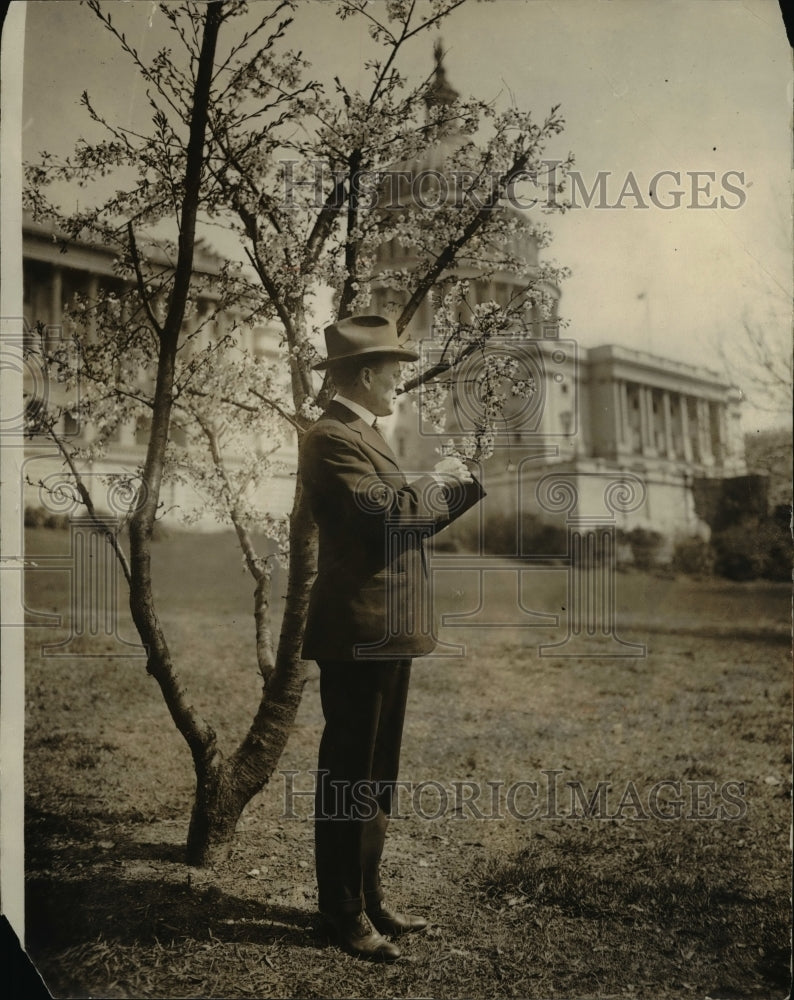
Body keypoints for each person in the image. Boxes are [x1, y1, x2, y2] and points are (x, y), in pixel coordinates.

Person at [299, 314, 485, 962]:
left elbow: (405, 518)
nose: (401, 384)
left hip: (388, 632)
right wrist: (441, 483)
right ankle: (340, 913)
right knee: (348, 775)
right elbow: (392, 520)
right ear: (369, 374)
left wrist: (452, 486)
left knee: (377, 777)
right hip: (357, 635)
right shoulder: (329, 437)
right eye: (396, 372)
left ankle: (367, 898)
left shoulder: (362, 434)